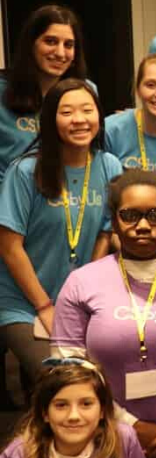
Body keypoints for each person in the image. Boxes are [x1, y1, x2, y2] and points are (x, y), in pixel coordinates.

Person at [52, 170, 156, 457]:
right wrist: (130, 426)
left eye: (155, 215)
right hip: (106, 438)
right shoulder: (82, 282)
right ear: (114, 221)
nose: (142, 225)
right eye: (130, 215)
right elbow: (68, 370)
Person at [0, 79, 122, 386]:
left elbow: (104, 235)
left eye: (87, 110)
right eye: (67, 112)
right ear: (50, 120)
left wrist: (81, 298)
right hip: (23, 303)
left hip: (77, 301)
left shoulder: (109, 165)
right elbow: (9, 246)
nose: (79, 119)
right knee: (63, 382)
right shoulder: (25, 171)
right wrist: (45, 306)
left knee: (108, 375)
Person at [1, 5, 87, 183]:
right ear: (31, 44)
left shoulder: (84, 92)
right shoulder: (2, 90)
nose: (60, 53)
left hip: (65, 200)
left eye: (69, 45)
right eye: (51, 42)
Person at [0, 358, 145, 458]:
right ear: (45, 413)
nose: (73, 416)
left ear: (102, 410)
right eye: (61, 405)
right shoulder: (20, 451)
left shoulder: (123, 439)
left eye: (86, 404)